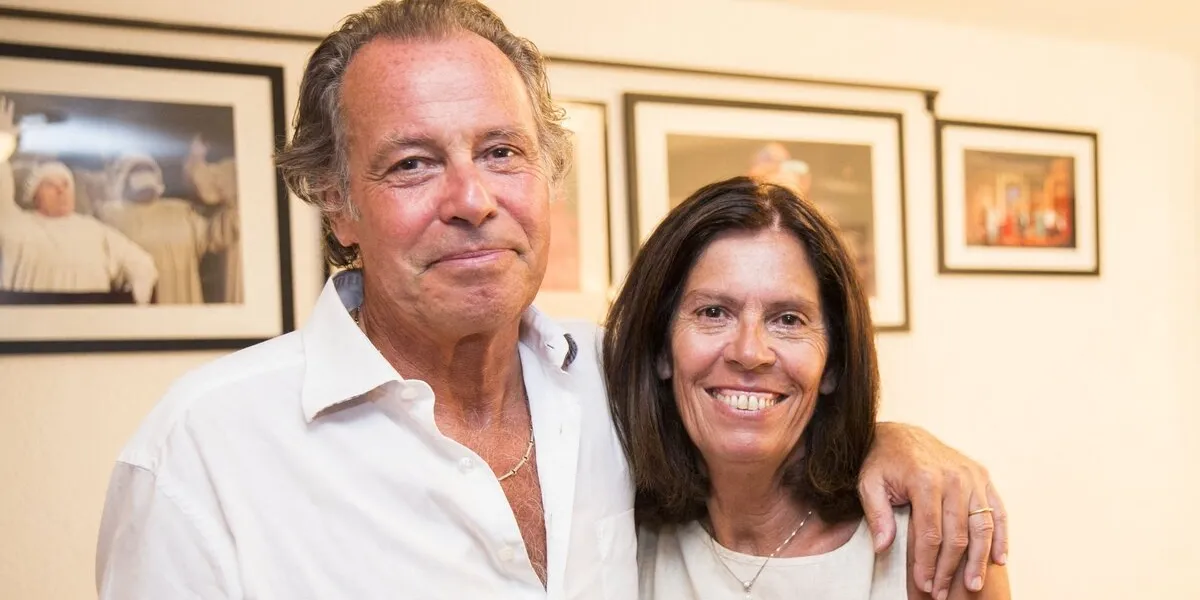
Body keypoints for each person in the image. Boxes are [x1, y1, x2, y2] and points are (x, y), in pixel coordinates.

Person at [95, 2, 1006, 599]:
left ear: (546, 173)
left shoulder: (616, 384)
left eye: (502, 152)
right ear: (336, 201)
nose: (472, 199)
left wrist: (899, 443)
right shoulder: (204, 454)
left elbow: (759, 410)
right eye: (413, 163)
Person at [604, 177, 1010, 599]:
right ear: (661, 351)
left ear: (833, 362)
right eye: (713, 312)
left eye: (788, 320)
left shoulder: (931, 541)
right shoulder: (621, 536)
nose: (750, 351)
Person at [0, 98, 158, 303]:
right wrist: (2, 144)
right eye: (51, 185)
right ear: (34, 195)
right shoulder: (17, 225)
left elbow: (142, 264)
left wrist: (134, 305)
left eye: (66, 185)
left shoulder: (95, 231)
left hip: (87, 325)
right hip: (32, 324)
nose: (60, 191)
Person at [94, 151, 238, 304]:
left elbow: (213, 235)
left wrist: (236, 212)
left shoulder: (181, 212)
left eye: (148, 170)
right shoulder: (111, 216)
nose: (144, 176)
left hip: (180, 307)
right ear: (123, 179)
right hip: (136, 312)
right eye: (137, 171)